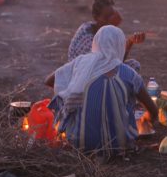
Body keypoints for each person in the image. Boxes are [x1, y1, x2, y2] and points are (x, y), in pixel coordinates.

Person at [44, 25, 158, 157]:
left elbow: (49, 80)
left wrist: (72, 88)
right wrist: (146, 119)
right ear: (120, 46)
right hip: (119, 146)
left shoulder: (81, 63)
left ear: (96, 43)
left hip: (79, 145)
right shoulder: (130, 74)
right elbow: (153, 111)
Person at [68, 0, 145, 70]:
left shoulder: (106, 32)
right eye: (106, 17)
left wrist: (130, 42)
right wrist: (128, 43)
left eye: (112, 15)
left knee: (133, 65)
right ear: (96, 17)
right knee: (127, 70)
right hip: (82, 74)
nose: (110, 20)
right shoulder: (86, 35)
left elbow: (116, 60)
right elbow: (105, 65)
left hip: (100, 69)